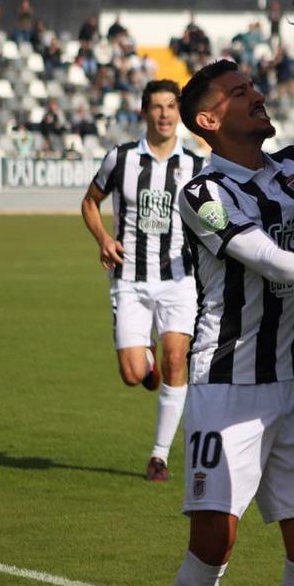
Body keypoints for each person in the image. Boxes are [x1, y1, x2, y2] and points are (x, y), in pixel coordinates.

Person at [170, 59, 294, 586]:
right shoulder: (204, 194)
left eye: (252, 87)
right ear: (209, 121)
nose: (257, 96)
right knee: (213, 541)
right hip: (228, 384)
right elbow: (262, 256)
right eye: (239, 93)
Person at [81, 80, 204, 482]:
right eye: (157, 107)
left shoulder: (197, 166)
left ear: (179, 113)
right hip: (130, 279)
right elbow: (90, 202)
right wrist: (103, 239)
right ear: (145, 112)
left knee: (177, 359)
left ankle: (159, 456)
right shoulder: (121, 159)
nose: (165, 114)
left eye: (171, 106)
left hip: (179, 279)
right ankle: (146, 358)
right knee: (134, 374)